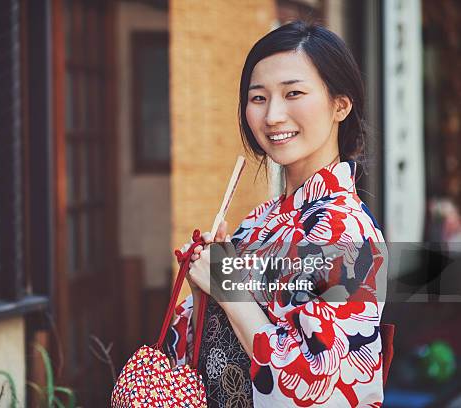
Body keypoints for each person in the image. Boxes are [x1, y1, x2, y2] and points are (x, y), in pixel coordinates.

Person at [165, 21, 388, 407]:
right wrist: (202, 284)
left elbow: (321, 390)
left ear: (341, 104)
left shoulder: (348, 231)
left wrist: (227, 288)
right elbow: (202, 357)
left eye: (294, 93)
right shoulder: (259, 222)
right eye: (258, 98)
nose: (272, 116)